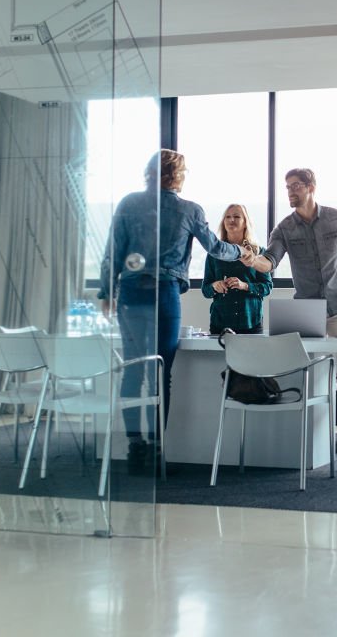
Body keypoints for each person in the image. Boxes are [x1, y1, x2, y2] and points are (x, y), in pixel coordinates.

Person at [98, 149, 252, 470]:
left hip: (130, 292)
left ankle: (135, 445)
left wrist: (105, 291)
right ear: (178, 176)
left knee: (133, 370)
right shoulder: (189, 210)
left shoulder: (128, 203)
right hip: (165, 294)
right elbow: (216, 247)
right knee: (160, 372)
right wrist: (243, 251)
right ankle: (156, 447)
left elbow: (113, 252)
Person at [244, 167, 337, 454]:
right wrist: (253, 261)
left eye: (296, 186)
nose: (291, 191)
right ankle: (313, 435)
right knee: (308, 369)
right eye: (287, 187)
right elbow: (269, 262)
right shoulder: (284, 229)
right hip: (307, 308)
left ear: (311, 186)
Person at [202, 204, 272, 334]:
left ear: (245, 223)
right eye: (227, 217)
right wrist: (214, 286)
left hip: (251, 322)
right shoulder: (214, 254)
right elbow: (205, 290)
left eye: (236, 216)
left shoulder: (258, 252)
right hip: (220, 323)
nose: (231, 220)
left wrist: (245, 286)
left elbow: (267, 287)